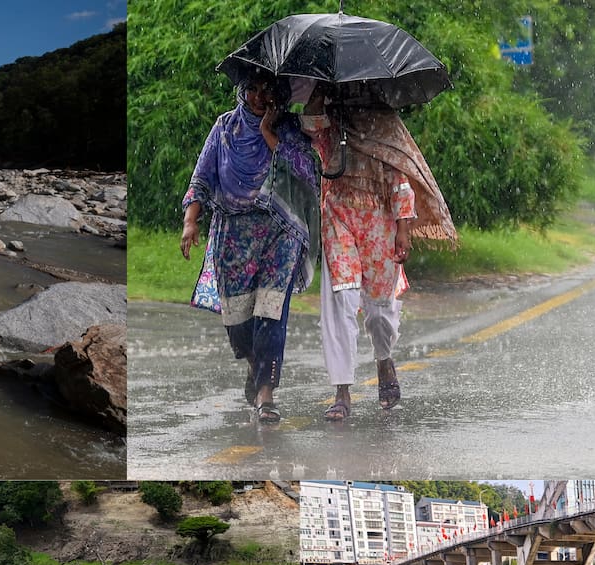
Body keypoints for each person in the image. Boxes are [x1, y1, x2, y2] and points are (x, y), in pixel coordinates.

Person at [300, 87, 456, 421]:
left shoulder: (385, 122)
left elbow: (400, 179)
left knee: (380, 310)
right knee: (341, 298)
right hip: (339, 216)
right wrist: (319, 94)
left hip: (379, 221)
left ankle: (384, 360)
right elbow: (309, 127)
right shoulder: (331, 116)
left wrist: (403, 229)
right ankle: (342, 390)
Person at [181, 70, 319, 424]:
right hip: (234, 235)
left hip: (280, 232)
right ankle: (254, 365)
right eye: (252, 89)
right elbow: (202, 178)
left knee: (271, 312)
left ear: (279, 94)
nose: (259, 97)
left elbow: (305, 173)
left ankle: (266, 393)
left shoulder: (290, 129)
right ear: (242, 91)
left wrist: (269, 133)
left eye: (267, 90)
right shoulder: (225, 127)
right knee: (238, 321)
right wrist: (190, 221)